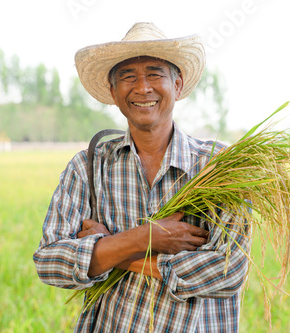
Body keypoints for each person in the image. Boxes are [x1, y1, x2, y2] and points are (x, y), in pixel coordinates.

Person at [33, 22, 250, 332]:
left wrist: (111, 248)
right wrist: (147, 237)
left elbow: (229, 271)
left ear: (177, 85)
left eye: (154, 74)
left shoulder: (217, 168)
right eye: (128, 77)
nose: (142, 87)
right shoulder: (89, 166)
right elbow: (50, 262)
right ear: (113, 91)